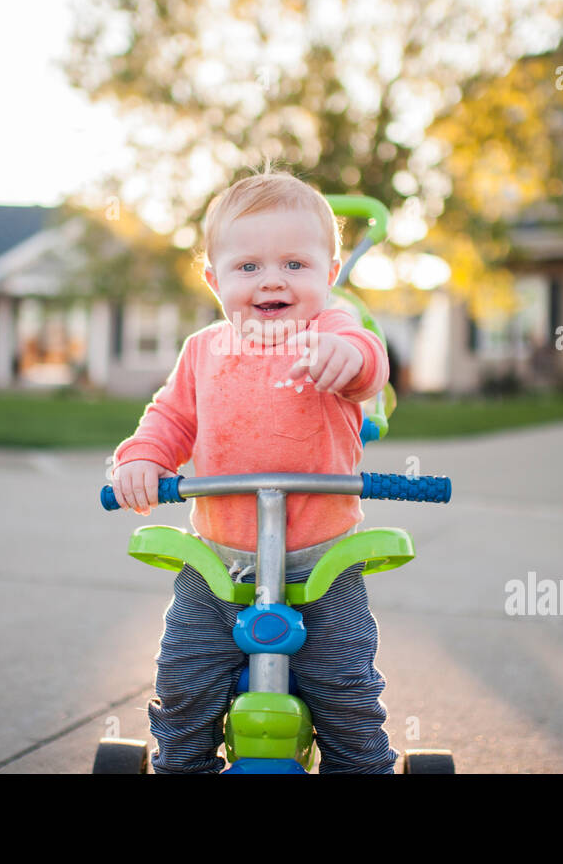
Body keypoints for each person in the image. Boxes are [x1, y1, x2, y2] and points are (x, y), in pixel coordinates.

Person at [109, 168, 395, 773]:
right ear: (214, 279)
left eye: (295, 264)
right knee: (185, 678)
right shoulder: (202, 350)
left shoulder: (330, 332)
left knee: (343, 684)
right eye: (248, 266)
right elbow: (171, 418)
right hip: (218, 559)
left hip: (322, 560)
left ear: (329, 274)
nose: (272, 280)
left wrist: (347, 357)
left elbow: (369, 363)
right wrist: (143, 457)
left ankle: (359, 766)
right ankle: (183, 764)